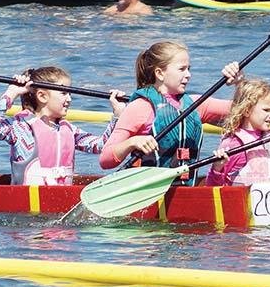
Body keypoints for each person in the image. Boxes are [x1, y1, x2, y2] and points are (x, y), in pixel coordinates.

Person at [98, 40, 242, 185]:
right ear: (160, 73)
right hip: (146, 195)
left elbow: (246, 110)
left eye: (189, 68)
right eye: (182, 69)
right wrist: (132, 142)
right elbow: (105, 160)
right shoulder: (140, 107)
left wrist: (239, 83)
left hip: (185, 194)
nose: (189, 75)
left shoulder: (196, 104)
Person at [0, 66, 126, 185]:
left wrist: (118, 115)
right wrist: (11, 93)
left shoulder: (69, 130)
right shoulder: (21, 128)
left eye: (70, 93)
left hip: (58, 206)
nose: (69, 99)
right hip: (27, 211)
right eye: (64, 93)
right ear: (42, 96)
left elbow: (101, 146)